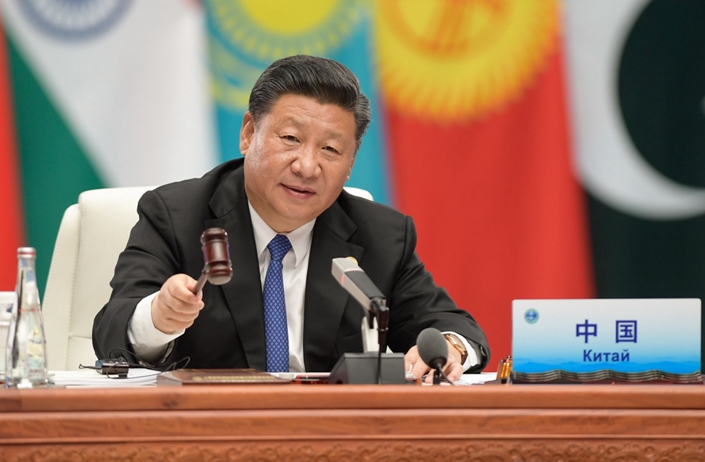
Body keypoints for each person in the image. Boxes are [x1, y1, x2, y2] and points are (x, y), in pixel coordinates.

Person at [92, 54, 489, 381]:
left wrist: (451, 347)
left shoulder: (382, 236)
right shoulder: (177, 216)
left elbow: (454, 327)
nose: (307, 166)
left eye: (330, 149)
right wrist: (158, 318)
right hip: (208, 430)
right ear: (249, 133)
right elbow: (112, 330)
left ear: (350, 164)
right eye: (291, 139)